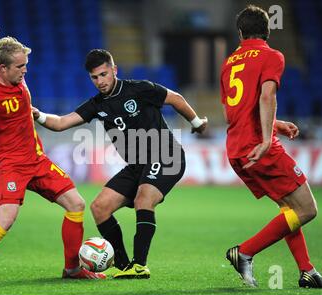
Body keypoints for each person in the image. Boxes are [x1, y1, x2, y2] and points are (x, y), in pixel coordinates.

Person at [0, 26, 105, 281]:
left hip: (37, 159)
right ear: (3, 69)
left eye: (25, 65)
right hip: (11, 166)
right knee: (6, 219)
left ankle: (72, 269)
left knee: (76, 204)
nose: (25, 70)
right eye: (20, 66)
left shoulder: (14, 75)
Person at [33, 49, 207, 279]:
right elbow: (62, 123)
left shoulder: (139, 89)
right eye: (95, 77)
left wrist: (196, 122)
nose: (100, 81)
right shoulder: (96, 104)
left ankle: (140, 265)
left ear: (114, 70)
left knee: (143, 198)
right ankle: (123, 266)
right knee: (99, 208)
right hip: (137, 165)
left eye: (104, 74)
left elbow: (176, 98)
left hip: (166, 155)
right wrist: (37, 114)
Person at [221, 5, 322, 288]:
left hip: (236, 148)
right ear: (268, 31)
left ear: (240, 33)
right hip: (260, 147)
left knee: (289, 209)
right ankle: (244, 252)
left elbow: (230, 114)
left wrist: (276, 124)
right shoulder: (272, 56)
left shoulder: (229, 63)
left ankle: (307, 271)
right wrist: (264, 139)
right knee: (307, 209)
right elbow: (266, 95)